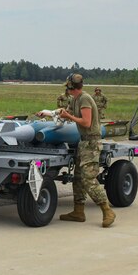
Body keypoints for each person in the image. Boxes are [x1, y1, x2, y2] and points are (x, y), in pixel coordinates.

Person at [39, 73, 115, 228]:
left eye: (68, 87)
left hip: (91, 143)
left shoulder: (85, 99)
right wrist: (47, 113)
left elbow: (86, 122)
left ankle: (107, 211)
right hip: (83, 143)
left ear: (71, 86)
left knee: (89, 179)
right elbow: (64, 113)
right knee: (78, 178)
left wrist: (69, 116)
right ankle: (78, 212)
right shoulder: (75, 100)